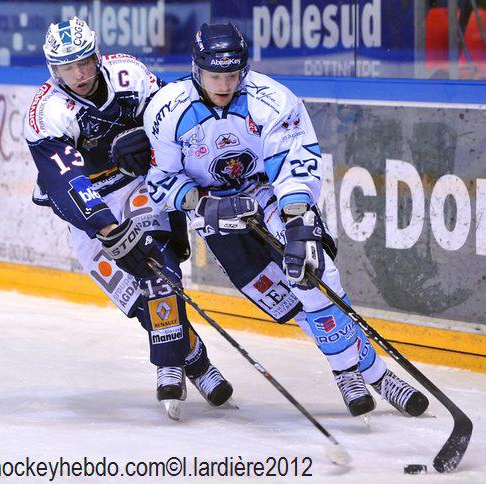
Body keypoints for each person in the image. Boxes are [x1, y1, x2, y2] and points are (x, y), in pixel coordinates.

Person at [136, 23, 430, 418]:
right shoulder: (166, 110)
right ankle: (374, 370)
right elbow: (161, 180)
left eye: (232, 74)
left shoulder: (273, 100)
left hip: (268, 194)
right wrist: (201, 205)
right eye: (214, 75)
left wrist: (295, 222)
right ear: (195, 69)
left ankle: (348, 371)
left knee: (312, 271)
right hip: (214, 216)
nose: (224, 84)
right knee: (286, 302)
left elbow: (294, 164)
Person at [24, 17, 233, 420]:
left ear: (96, 55)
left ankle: (170, 365)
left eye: (84, 62)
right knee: (138, 299)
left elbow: (168, 122)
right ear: (53, 70)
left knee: (157, 267)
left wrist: (148, 145)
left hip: (139, 186)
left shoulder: (129, 74)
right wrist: (108, 229)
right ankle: (197, 360)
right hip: (89, 209)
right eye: (67, 68)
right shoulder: (46, 112)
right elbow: (67, 180)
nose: (79, 74)